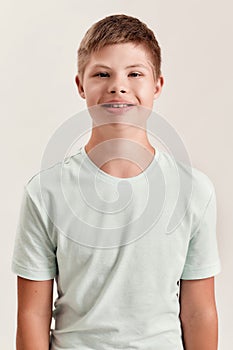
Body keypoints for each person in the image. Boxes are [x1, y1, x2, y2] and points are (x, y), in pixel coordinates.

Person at [12, 14, 221, 350]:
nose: (117, 86)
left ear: (157, 85)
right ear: (80, 85)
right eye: (101, 74)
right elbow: (32, 316)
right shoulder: (45, 192)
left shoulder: (194, 191)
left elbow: (198, 311)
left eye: (134, 73)